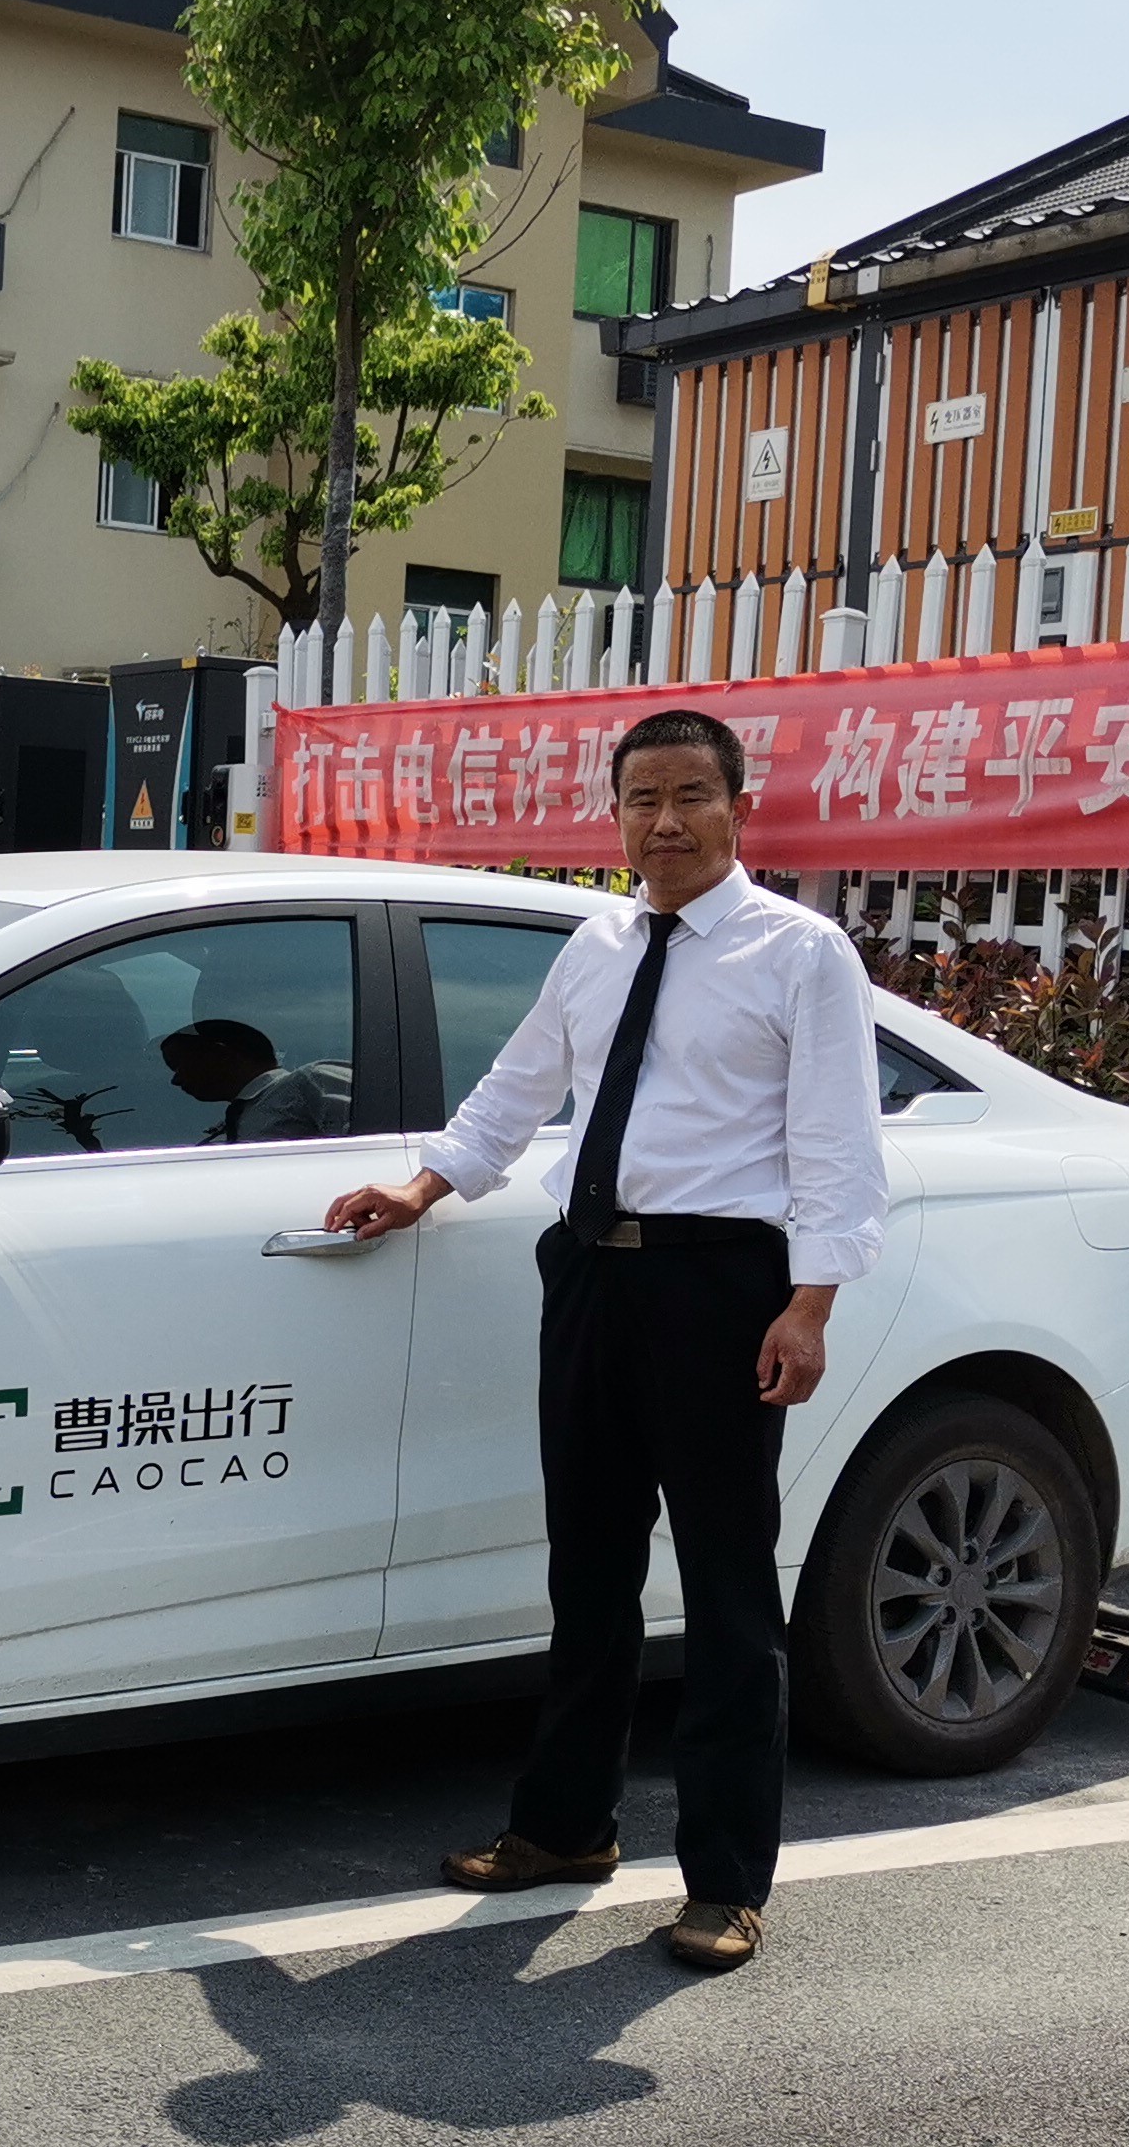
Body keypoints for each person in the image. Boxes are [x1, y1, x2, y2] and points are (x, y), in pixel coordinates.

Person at [323, 708, 883, 1975]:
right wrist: (422, 1186)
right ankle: (565, 1827)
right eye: (642, 799)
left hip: (719, 1289)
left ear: (739, 807)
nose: (665, 822)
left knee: (728, 1591)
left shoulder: (801, 954)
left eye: (691, 795)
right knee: (587, 1568)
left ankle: (725, 1881)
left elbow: (837, 1141)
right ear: (616, 812)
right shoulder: (596, 942)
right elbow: (518, 1089)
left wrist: (810, 1303)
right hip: (589, 1273)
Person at [160, 1018, 324, 1145]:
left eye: (178, 1066)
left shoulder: (310, 1081)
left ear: (220, 1055)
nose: (175, 1080)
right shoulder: (230, 1123)